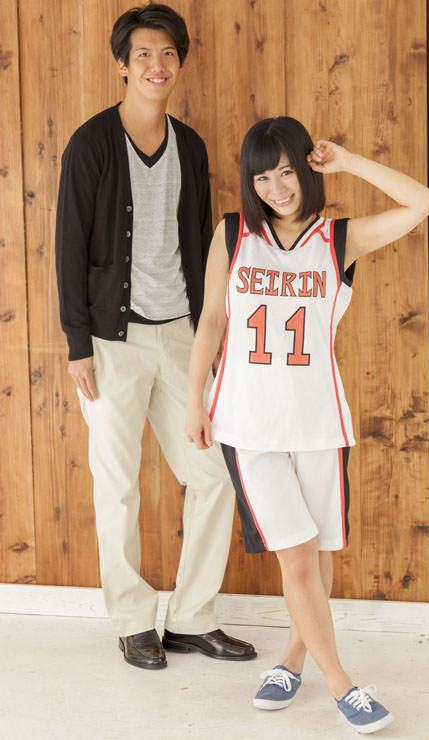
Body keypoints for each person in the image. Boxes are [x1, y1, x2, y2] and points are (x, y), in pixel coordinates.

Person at [185, 116, 429, 732]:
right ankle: (342, 684)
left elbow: (423, 203)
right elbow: (212, 319)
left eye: (286, 172)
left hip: (319, 422)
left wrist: (348, 162)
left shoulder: (337, 239)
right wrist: (195, 400)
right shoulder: (233, 233)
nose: (276, 188)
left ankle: (292, 659)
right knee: (296, 560)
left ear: (306, 168)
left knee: (317, 554)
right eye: (262, 177)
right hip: (249, 425)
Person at [55, 4, 256, 670]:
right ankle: (133, 621)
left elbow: (200, 245)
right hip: (110, 342)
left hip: (180, 337)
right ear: (123, 64)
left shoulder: (190, 146)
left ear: (179, 64)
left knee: (214, 473)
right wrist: (78, 343)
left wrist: (209, 334)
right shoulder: (91, 144)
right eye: (143, 53)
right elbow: (69, 246)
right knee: (117, 484)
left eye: (168, 53)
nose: (156, 65)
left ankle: (193, 618)